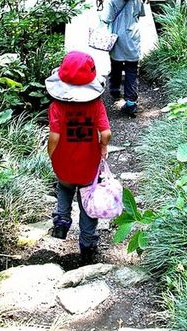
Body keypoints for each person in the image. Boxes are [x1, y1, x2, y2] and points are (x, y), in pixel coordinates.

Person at [45, 50, 112, 265]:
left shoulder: (57, 106)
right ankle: (87, 244)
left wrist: (51, 154)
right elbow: (106, 133)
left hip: (64, 163)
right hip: (88, 166)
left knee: (64, 188)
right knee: (88, 203)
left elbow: (54, 136)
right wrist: (103, 147)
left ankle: (62, 219)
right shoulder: (95, 105)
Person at [102, 0, 145, 117]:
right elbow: (140, 14)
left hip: (117, 38)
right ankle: (131, 103)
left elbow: (106, 19)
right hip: (133, 37)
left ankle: (114, 89)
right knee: (132, 69)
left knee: (116, 64)